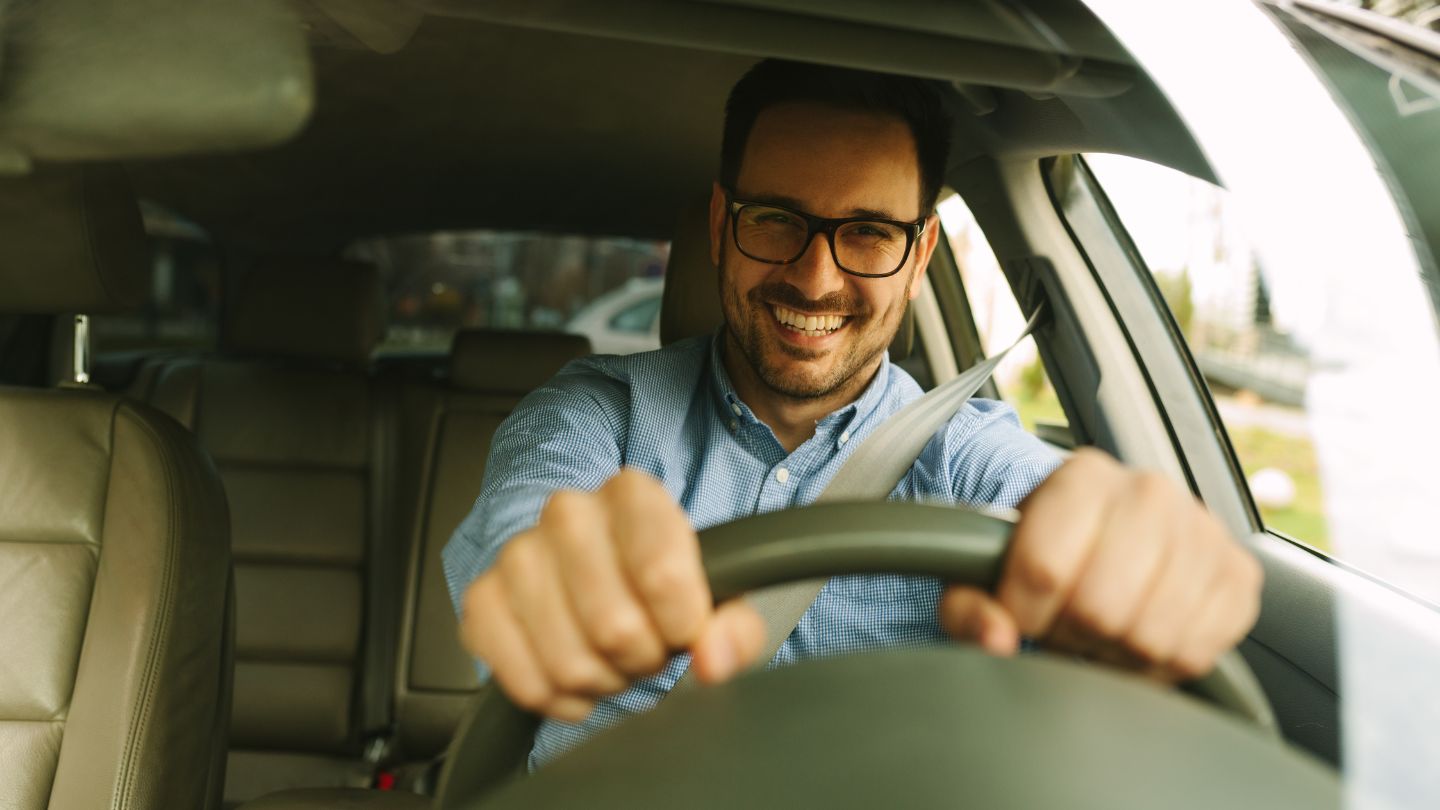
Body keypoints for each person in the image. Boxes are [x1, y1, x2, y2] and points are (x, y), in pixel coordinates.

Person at [443, 59, 1262, 769]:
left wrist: (1128, 552)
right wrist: (547, 578)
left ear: (920, 259)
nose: (814, 278)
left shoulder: (968, 457)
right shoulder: (599, 411)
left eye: (868, 234)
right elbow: (525, 531)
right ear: (723, 229)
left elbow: (1056, 502)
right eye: (777, 222)